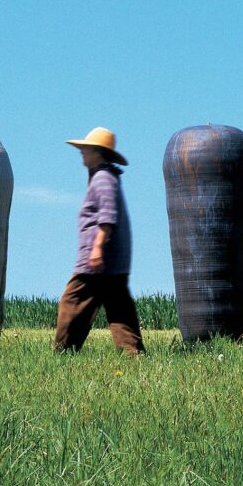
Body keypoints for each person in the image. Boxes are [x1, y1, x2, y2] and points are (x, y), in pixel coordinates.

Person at [52, 127, 146, 355]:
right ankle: (133, 355)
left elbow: (107, 216)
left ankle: (63, 353)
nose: (82, 152)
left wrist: (96, 249)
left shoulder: (103, 179)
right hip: (114, 261)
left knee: (72, 302)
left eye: (86, 149)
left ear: (99, 152)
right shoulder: (106, 177)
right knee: (119, 310)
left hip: (98, 260)